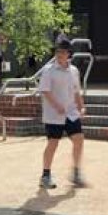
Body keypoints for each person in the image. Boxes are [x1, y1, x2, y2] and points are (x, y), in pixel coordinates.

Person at [38, 39, 86, 189]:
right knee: (53, 142)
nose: (60, 54)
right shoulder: (48, 70)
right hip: (53, 114)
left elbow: (76, 91)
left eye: (63, 52)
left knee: (79, 139)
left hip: (71, 113)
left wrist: (81, 107)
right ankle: (45, 175)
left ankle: (76, 173)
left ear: (69, 54)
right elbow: (45, 90)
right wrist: (56, 105)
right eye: (58, 51)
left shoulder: (74, 71)